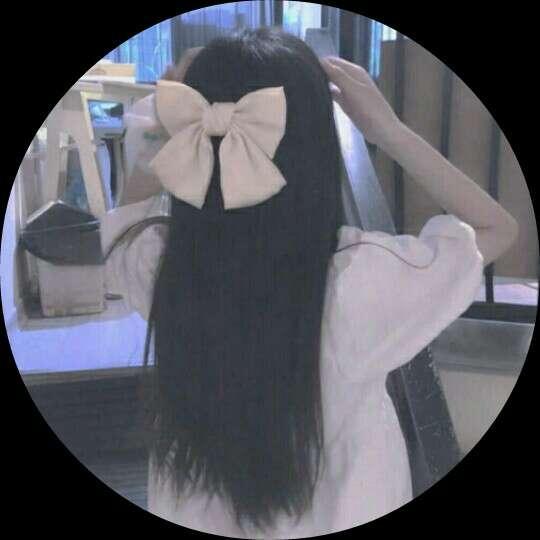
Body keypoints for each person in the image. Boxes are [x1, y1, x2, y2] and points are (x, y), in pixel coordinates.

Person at [103, 27, 518, 538]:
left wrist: (162, 122)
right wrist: (388, 130)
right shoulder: (364, 280)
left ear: (189, 138)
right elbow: (497, 228)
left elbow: (125, 216)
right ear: (317, 148)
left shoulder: (164, 266)